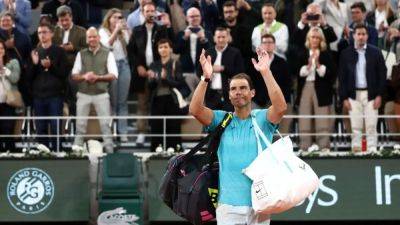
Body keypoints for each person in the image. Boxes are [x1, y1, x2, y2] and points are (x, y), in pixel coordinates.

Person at [189, 47, 287, 225]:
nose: (238, 92)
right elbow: (195, 110)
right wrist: (205, 78)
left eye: (243, 88)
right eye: (233, 89)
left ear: (252, 93)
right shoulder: (221, 119)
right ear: (229, 95)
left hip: (260, 205)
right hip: (228, 206)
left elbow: (280, 108)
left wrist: (265, 72)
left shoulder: (262, 118)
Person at [128, 1, 174, 146]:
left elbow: (166, 49)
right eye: (147, 11)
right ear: (142, 12)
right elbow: (131, 51)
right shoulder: (136, 30)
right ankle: (141, 132)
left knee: (157, 104)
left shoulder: (161, 29)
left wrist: (157, 68)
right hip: (141, 73)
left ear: (155, 12)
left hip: (157, 72)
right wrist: (138, 66)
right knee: (142, 104)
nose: (150, 13)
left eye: (152, 11)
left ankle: (156, 133)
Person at [338, 24, 387, 152]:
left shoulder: (375, 52)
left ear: (367, 36)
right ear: (353, 36)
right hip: (353, 95)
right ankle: (356, 150)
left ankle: (372, 150)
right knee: (355, 125)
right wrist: (344, 98)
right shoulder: (345, 54)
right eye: (358, 34)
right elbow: (342, 78)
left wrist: (379, 95)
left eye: (363, 34)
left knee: (371, 125)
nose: (361, 37)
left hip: (371, 95)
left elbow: (382, 75)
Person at [71, 27, 118, 153]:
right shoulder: (81, 54)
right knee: (80, 126)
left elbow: (113, 75)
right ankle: (77, 153)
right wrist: (84, 76)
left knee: (105, 126)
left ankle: (110, 153)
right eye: (89, 37)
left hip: (101, 94)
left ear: (99, 38)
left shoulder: (108, 53)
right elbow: (74, 75)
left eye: (94, 36)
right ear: (86, 39)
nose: (92, 39)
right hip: (83, 94)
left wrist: (98, 77)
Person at [28, 22, 68, 150]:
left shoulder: (59, 51)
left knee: (56, 126)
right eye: (39, 33)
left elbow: (64, 73)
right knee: (40, 127)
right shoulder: (35, 52)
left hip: (55, 96)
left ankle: (58, 152)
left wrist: (50, 67)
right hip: (38, 96)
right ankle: (42, 154)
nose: (42, 35)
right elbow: (29, 77)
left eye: (44, 32)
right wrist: (34, 64)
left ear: (51, 33)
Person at [297, 27, 335, 152]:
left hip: (322, 89)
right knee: (304, 117)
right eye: (312, 37)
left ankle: (324, 146)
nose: (314, 40)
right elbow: (297, 72)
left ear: (321, 40)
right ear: (308, 38)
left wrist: (318, 64)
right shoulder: (302, 53)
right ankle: (305, 146)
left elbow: (330, 73)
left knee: (322, 118)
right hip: (305, 87)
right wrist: (308, 66)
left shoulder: (326, 54)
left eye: (317, 37)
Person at [99, 8, 131, 142]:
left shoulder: (123, 31)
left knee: (122, 101)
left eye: (120, 17)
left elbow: (129, 43)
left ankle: (123, 132)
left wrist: (126, 30)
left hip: (124, 64)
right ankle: (111, 132)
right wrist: (116, 31)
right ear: (109, 19)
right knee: (112, 101)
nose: (118, 20)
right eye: (115, 17)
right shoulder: (102, 31)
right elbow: (106, 47)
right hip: (110, 66)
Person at [148, 39, 185, 151]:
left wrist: (165, 79)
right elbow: (150, 87)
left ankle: (173, 148)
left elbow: (179, 83)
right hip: (157, 99)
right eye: (160, 47)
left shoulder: (176, 63)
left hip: (171, 99)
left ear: (170, 49)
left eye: (165, 47)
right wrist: (152, 79)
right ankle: (156, 148)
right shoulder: (154, 64)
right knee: (156, 125)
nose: (163, 49)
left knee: (173, 125)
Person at [199, 26, 245, 111]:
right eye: (218, 37)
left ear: (228, 38)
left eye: (223, 37)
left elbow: (241, 73)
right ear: (214, 38)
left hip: (230, 96)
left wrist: (223, 68)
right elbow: (200, 73)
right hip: (211, 95)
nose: (221, 40)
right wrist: (207, 74)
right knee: (211, 123)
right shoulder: (208, 52)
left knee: (230, 122)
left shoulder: (235, 52)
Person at [0, 40, 20, 152]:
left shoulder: (13, 62)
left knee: (7, 129)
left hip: (8, 102)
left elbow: (15, 79)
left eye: (1, 48)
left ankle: (9, 154)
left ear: (5, 50)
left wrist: (3, 68)